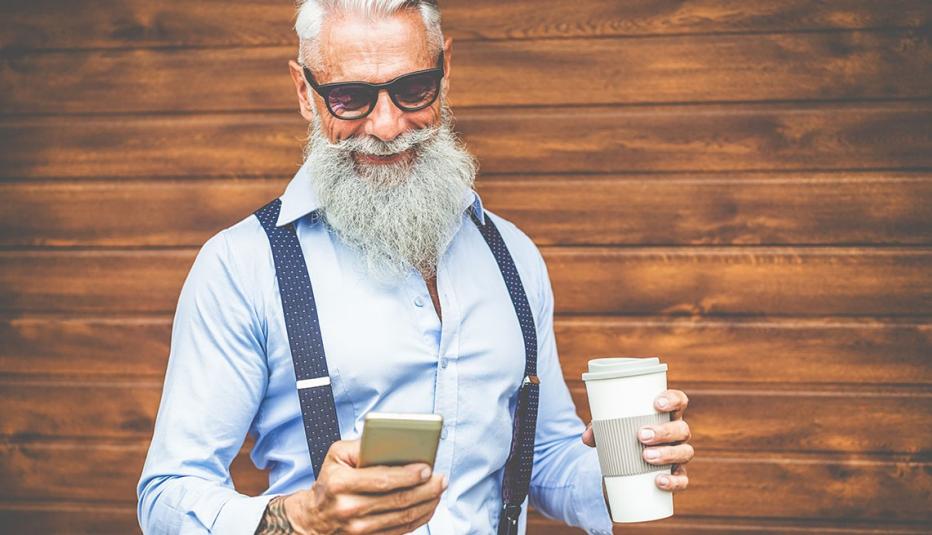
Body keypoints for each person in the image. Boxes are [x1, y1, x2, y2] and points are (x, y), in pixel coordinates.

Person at [136, 1, 694, 533]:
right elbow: (166, 496)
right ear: (305, 92)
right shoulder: (241, 266)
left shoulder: (513, 254)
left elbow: (544, 458)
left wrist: (623, 466)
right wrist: (304, 519)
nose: (387, 125)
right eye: (350, 97)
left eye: (412, 89)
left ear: (445, 70)